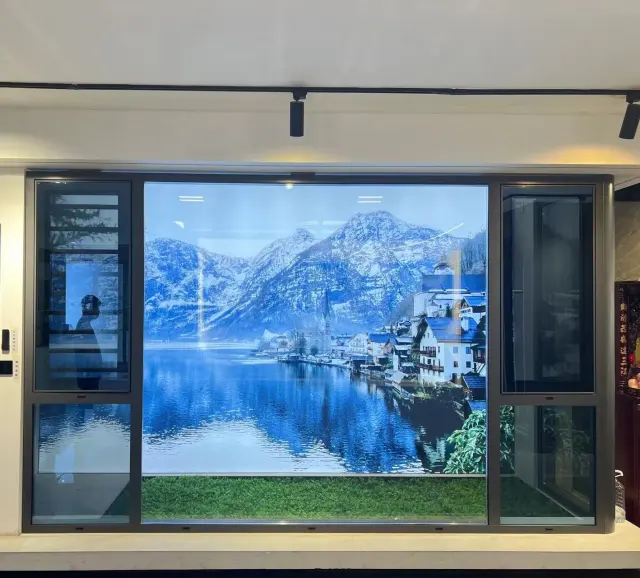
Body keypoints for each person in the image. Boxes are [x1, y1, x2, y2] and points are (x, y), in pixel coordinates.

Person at [75, 294, 103, 390]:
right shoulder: (84, 326)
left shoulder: (84, 324)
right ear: (90, 308)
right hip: (88, 376)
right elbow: (85, 354)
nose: (98, 311)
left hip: (89, 374)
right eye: (97, 308)